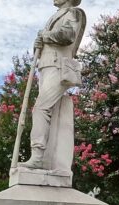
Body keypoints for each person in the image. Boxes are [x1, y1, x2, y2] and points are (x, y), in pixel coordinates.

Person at [21, 0, 87, 170]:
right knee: (49, 110)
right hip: (47, 65)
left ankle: (37, 156)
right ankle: (48, 159)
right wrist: (38, 45)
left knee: (41, 109)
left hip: (58, 67)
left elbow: (67, 35)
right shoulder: (56, 16)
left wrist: (45, 35)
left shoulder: (74, 12)